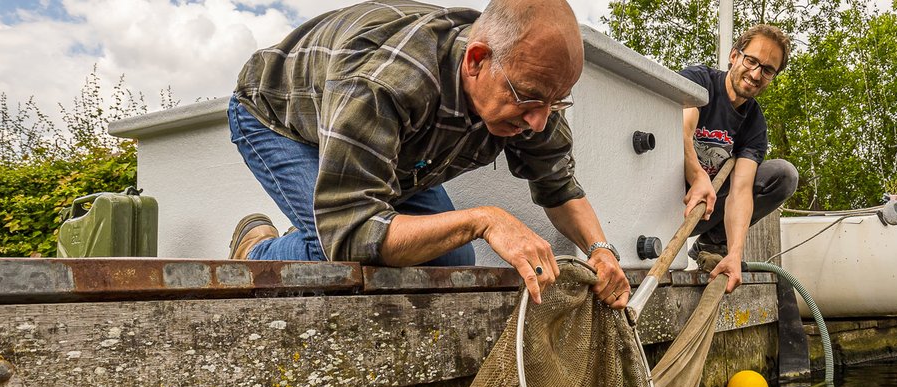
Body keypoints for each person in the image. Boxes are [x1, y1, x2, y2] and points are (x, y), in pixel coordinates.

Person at [225, 0, 629, 308]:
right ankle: (256, 250)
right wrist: (485, 219)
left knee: (451, 254)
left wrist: (601, 250)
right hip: (280, 116)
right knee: (343, 257)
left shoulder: (534, 90)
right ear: (476, 60)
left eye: (557, 103)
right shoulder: (385, 85)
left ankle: (317, 222)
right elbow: (352, 235)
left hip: (388, 148)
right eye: (529, 99)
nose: (539, 122)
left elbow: (559, 188)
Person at [679, 24, 798, 293]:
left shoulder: (754, 124)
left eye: (767, 70)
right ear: (734, 55)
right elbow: (682, 131)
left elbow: (741, 190)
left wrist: (735, 253)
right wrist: (698, 176)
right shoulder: (699, 81)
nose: (756, 74)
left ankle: (712, 244)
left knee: (783, 175)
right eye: (751, 60)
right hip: (663, 200)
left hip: (703, 210)